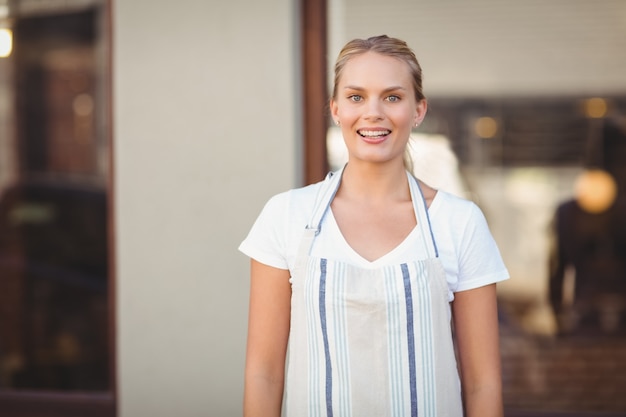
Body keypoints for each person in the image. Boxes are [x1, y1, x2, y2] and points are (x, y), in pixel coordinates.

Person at [239, 35, 509, 417]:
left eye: (393, 97)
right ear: (335, 110)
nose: (373, 113)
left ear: (418, 111)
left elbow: (482, 383)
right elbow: (264, 374)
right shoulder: (285, 216)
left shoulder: (459, 223)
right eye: (355, 97)